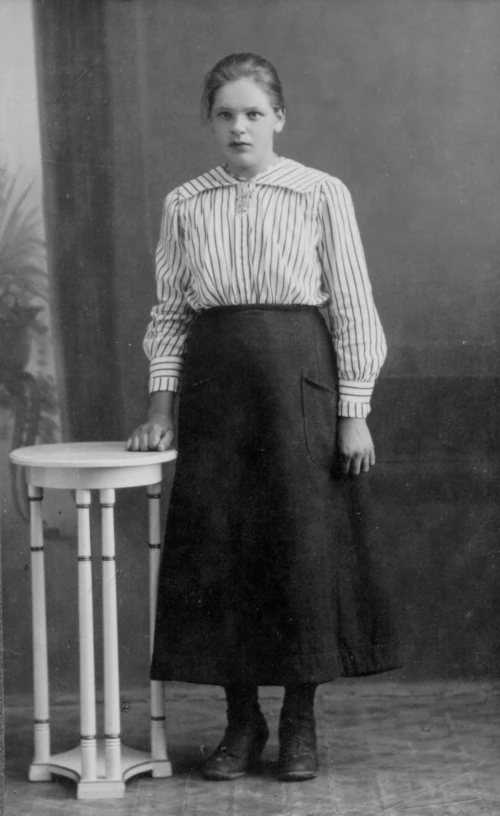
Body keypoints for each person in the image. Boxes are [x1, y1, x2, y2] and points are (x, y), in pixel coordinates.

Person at [126, 52, 401, 782]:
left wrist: (354, 412)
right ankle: (240, 723)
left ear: (279, 117)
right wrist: (161, 408)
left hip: (299, 387)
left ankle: (299, 722)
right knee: (222, 554)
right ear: (209, 123)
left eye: (253, 112)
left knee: (301, 550)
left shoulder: (319, 193)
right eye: (225, 114)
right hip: (218, 393)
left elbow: (351, 304)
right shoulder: (186, 202)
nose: (239, 127)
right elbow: (170, 314)